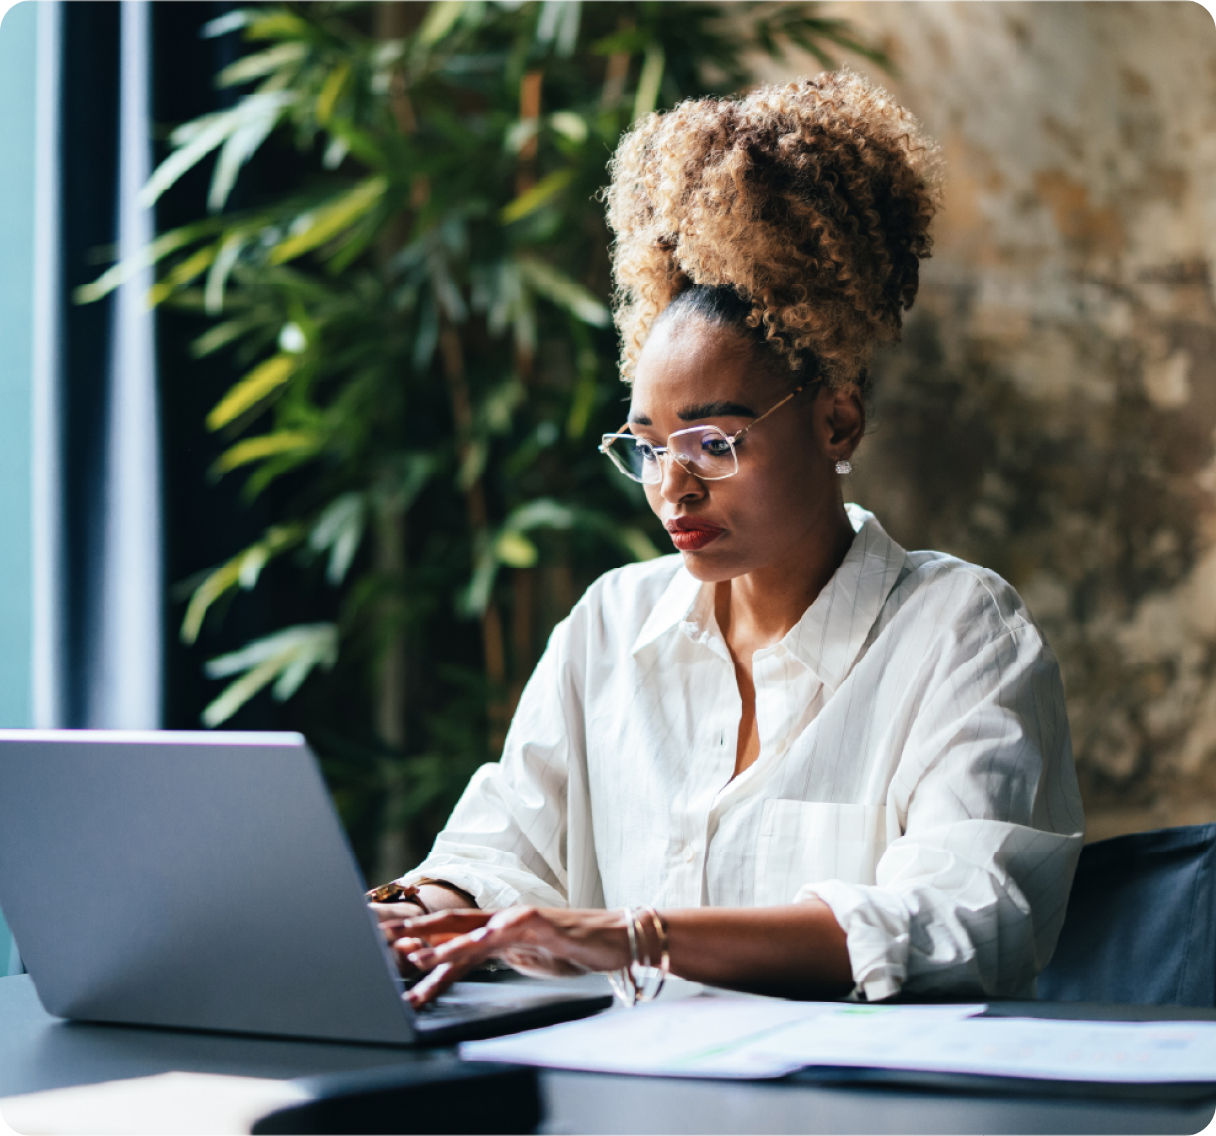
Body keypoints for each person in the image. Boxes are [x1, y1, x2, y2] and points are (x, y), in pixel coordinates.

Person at [373, 70, 1086, 1008]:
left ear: (836, 423)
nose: (672, 485)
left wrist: (636, 936)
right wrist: (415, 908)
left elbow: (964, 915)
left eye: (713, 443)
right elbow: (502, 849)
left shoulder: (961, 634)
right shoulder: (609, 627)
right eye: (648, 447)